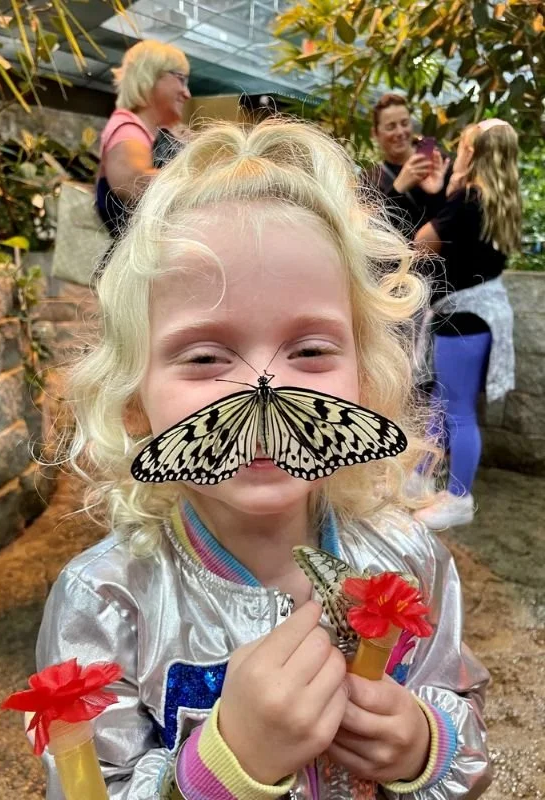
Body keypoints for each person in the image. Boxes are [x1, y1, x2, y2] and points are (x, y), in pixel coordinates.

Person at [37, 120, 491, 799]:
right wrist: (215, 768)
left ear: (362, 383)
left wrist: (428, 742)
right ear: (135, 403)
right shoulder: (106, 603)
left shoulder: (410, 561)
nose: (261, 389)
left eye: (310, 351)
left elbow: (464, 715)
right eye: (204, 356)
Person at [412, 120, 520, 529]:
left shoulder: (470, 198)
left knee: (455, 410)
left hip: (463, 318)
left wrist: (446, 190)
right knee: (444, 404)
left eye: (461, 147)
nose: (456, 153)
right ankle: (420, 478)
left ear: (472, 154)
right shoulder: (498, 198)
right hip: (474, 315)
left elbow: (423, 242)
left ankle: (458, 497)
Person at [96, 39, 191, 239]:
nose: (186, 93)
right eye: (181, 79)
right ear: (150, 76)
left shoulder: (150, 132)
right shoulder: (127, 128)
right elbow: (136, 184)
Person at [367, 94, 450, 239]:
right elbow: (372, 232)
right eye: (390, 127)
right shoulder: (371, 178)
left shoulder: (436, 160)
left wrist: (437, 192)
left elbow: (457, 216)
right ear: (376, 133)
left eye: (404, 123)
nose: (400, 132)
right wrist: (398, 188)